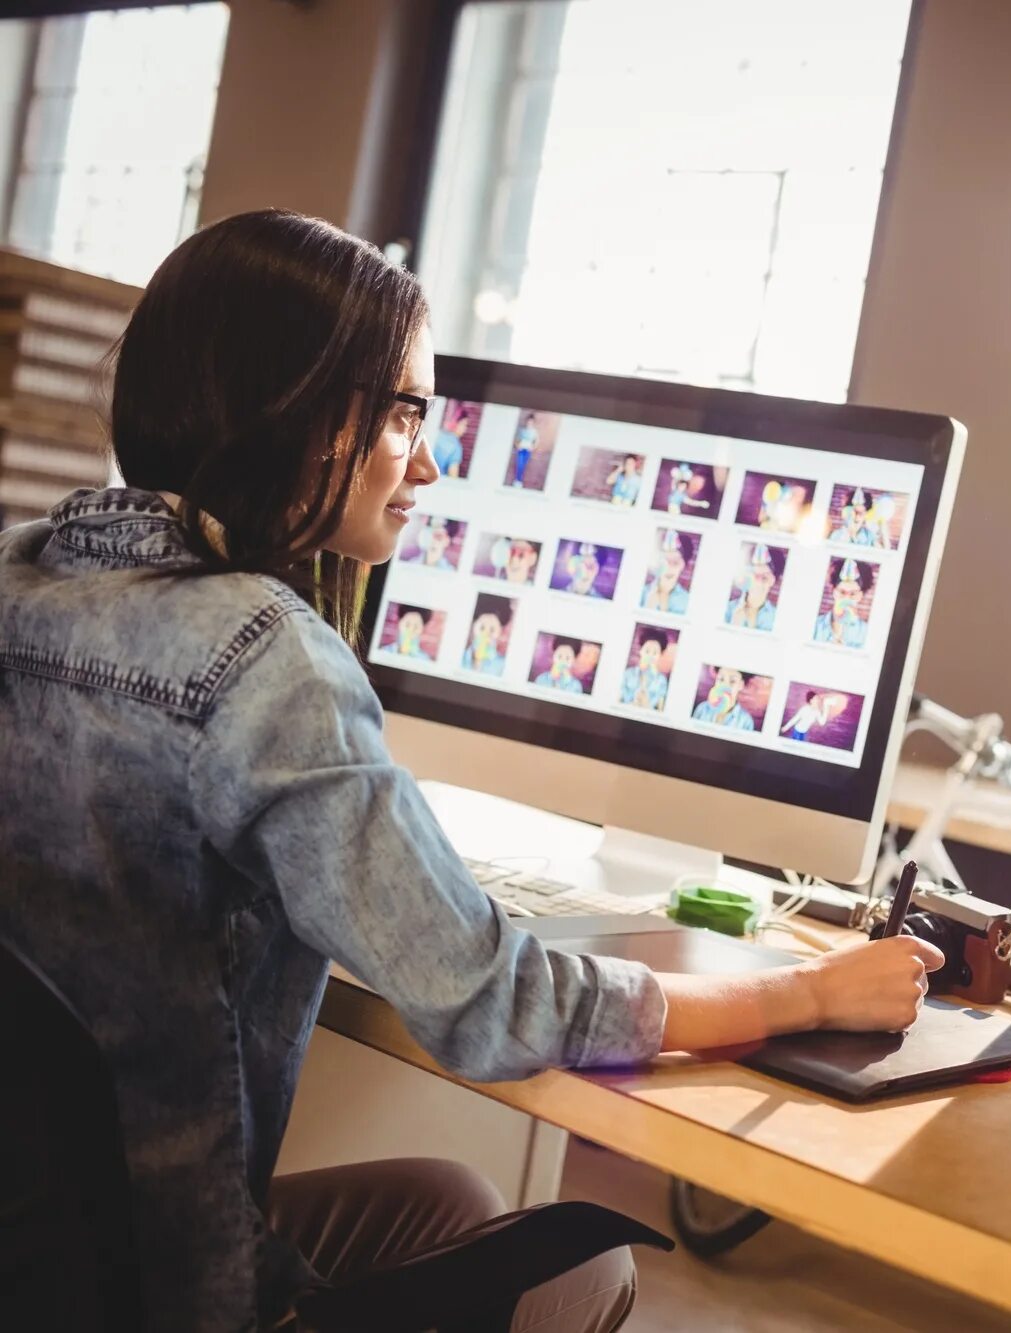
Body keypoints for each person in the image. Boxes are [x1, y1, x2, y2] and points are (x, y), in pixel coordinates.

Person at [0, 210, 944, 1332]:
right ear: (301, 408)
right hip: (171, 1294)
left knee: (448, 1193)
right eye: (406, 412)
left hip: (53, 1246)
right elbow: (493, 1003)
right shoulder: (258, 654)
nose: (433, 463)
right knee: (582, 1269)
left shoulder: (22, 576)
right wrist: (799, 993)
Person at [812, 557, 870, 648]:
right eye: (842, 592)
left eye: (853, 594)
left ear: (860, 596)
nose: (846, 598)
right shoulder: (814, 624)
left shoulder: (866, 632)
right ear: (834, 591)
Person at [724, 544, 780, 631]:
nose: (758, 582)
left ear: (772, 580)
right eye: (755, 575)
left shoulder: (777, 618)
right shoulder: (726, 609)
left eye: (764, 578)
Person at [692, 666, 759, 730]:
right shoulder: (701, 709)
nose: (725, 686)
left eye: (732, 681)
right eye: (721, 679)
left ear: (741, 685)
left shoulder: (746, 721)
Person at [643, 531, 692, 614]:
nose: (668, 568)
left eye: (675, 562)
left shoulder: (686, 600)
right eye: (664, 561)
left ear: (683, 565)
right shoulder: (642, 591)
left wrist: (664, 595)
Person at [781, 690, 850, 743]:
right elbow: (795, 719)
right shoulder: (805, 709)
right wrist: (785, 727)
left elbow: (822, 722)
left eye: (817, 698)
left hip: (804, 733)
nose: (818, 700)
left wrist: (826, 706)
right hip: (797, 732)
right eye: (816, 699)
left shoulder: (817, 711)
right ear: (811, 700)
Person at [462, 602, 508, 676]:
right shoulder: (460, 657)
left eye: (492, 629)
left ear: (500, 633)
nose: (486, 634)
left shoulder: (503, 665)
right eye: (482, 628)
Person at [431, 401, 470, 478]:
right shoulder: (456, 447)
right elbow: (453, 476)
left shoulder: (437, 434)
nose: (465, 429)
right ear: (456, 422)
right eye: (464, 425)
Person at [508, 410, 541, 487]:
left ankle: (519, 480)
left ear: (533, 423)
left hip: (527, 450)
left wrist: (532, 448)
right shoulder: (522, 430)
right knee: (519, 464)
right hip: (521, 449)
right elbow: (516, 439)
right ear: (526, 422)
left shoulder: (534, 432)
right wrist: (517, 445)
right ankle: (517, 480)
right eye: (528, 422)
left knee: (523, 465)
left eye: (531, 422)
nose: (529, 423)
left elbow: (536, 441)